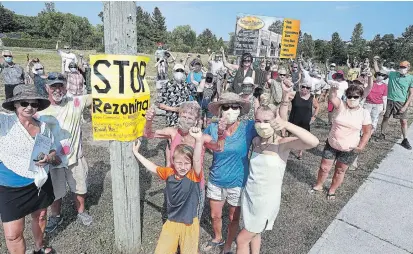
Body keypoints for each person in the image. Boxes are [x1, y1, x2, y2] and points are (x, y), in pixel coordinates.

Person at [236, 104, 319, 254]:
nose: (262, 125)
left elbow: (313, 142)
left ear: (275, 121)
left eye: (267, 121)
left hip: (266, 201)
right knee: (255, 233)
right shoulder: (256, 141)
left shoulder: (282, 144)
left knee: (242, 239)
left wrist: (286, 124)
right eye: (258, 120)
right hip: (250, 196)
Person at [0, 84, 61, 254]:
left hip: (39, 182)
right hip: (10, 186)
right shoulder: (4, 122)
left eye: (34, 104)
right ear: (15, 105)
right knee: (12, 235)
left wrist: (48, 158)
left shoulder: (44, 127)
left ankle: (39, 247)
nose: (29, 107)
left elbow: (53, 151)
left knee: (40, 216)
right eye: (24, 103)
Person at [35, 73, 93, 233]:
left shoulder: (75, 102)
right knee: (56, 192)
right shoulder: (40, 111)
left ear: (66, 86)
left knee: (80, 187)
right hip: (53, 160)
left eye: (60, 85)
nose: (57, 89)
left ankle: (81, 212)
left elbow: (95, 98)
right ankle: (56, 216)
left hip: (75, 157)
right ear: (47, 87)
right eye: (53, 86)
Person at [133, 127, 203, 254]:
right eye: (179, 163)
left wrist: (198, 141)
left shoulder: (194, 176)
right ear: (173, 162)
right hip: (171, 222)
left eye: (187, 163)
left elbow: (197, 159)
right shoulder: (169, 173)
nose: (183, 167)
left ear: (192, 164)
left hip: (189, 224)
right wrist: (137, 153)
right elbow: (153, 167)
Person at [203, 92, 256, 254]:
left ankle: (228, 245)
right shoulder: (212, 128)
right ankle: (218, 237)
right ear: (220, 110)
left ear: (240, 109)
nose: (230, 110)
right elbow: (198, 145)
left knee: (233, 218)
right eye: (226, 107)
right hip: (216, 179)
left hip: (238, 182)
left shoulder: (248, 127)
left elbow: (268, 129)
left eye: (235, 107)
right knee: (215, 215)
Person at [311, 84, 372, 200]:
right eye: (349, 96)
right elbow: (332, 98)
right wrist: (333, 89)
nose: (352, 99)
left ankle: (332, 190)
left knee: (340, 170)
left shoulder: (364, 113)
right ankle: (319, 185)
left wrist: (361, 146)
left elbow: (367, 132)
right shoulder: (341, 106)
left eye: (355, 97)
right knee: (324, 167)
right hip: (332, 144)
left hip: (349, 148)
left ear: (361, 98)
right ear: (346, 96)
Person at [377, 61, 413, 150]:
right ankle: (382, 134)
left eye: (404, 67)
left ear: (408, 68)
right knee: (385, 118)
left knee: (403, 121)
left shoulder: (411, 78)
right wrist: (375, 62)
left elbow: (411, 94)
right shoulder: (392, 74)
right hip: (389, 100)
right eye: (401, 67)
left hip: (401, 102)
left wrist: (405, 106)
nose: (402, 69)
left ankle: (405, 139)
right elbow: (379, 72)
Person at [285, 82, 320, 159]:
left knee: (303, 137)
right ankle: (286, 149)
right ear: (300, 87)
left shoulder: (311, 98)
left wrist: (314, 117)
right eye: (303, 87)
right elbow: (285, 99)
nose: (305, 89)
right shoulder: (295, 94)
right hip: (294, 119)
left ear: (310, 89)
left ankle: (300, 153)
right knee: (290, 135)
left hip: (305, 121)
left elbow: (317, 107)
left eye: (307, 88)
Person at [363, 69, 388, 134]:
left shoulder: (384, 86)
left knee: (374, 120)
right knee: (365, 119)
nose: (380, 76)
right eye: (379, 74)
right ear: (376, 75)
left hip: (378, 105)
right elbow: (365, 91)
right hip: (368, 103)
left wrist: (384, 108)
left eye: (382, 75)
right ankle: (362, 133)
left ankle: (369, 134)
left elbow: (384, 98)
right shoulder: (371, 83)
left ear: (384, 77)